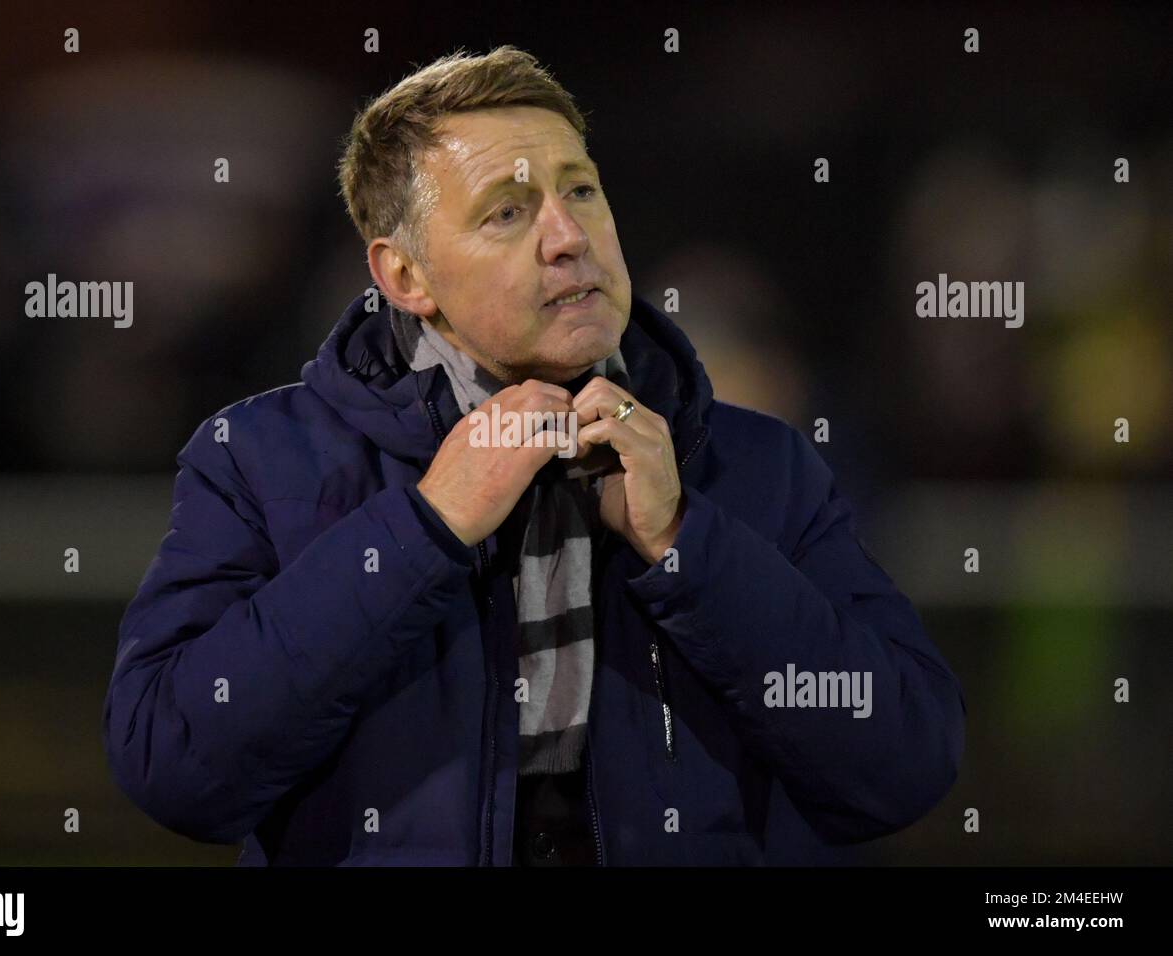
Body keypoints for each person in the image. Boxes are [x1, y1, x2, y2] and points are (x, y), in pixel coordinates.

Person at [102, 45, 966, 866]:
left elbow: (903, 766)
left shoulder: (757, 464)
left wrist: (686, 546)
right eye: (507, 211)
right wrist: (425, 529)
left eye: (582, 191)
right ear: (406, 277)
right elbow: (175, 768)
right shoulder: (257, 459)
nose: (567, 236)